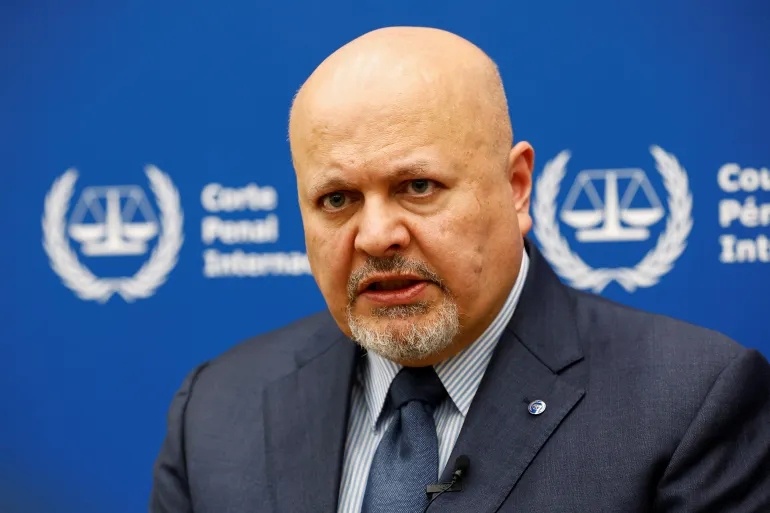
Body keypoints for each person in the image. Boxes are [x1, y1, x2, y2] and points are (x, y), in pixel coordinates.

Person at [150, 26, 770, 512]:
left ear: (516, 187)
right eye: (337, 199)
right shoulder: (216, 412)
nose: (376, 235)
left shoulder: (688, 404)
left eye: (417, 186)